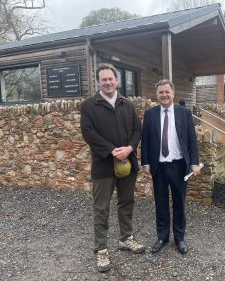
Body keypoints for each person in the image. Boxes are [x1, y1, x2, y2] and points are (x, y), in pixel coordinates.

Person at [80, 63, 145, 273]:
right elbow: (88, 133)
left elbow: (137, 129)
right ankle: (101, 249)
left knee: (126, 202)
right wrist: (111, 150)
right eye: (103, 79)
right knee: (101, 208)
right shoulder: (89, 106)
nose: (108, 82)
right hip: (103, 165)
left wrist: (129, 148)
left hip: (128, 163)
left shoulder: (127, 104)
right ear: (98, 82)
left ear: (117, 80)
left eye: (111, 79)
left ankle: (126, 238)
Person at [141, 79, 200, 254]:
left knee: (179, 203)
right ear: (157, 95)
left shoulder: (185, 113)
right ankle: (162, 237)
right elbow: (145, 140)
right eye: (161, 92)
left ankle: (179, 238)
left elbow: (192, 140)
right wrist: (145, 162)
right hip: (158, 166)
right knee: (160, 203)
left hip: (179, 165)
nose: (164, 95)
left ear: (173, 93)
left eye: (167, 92)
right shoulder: (150, 113)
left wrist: (194, 163)